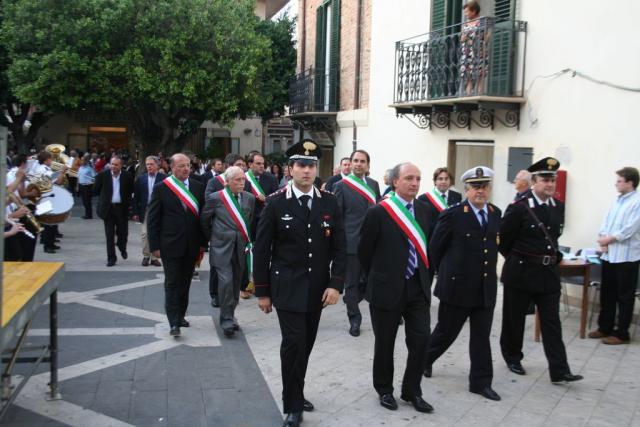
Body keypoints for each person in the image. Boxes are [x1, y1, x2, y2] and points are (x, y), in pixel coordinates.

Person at [253, 139, 346, 427]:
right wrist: (262, 292)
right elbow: (261, 250)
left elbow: (340, 247)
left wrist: (335, 284)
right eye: (301, 165)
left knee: (305, 345)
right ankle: (293, 405)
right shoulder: (275, 202)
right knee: (293, 344)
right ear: (290, 169)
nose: (307, 171)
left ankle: (295, 390)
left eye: (311, 166)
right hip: (287, 288)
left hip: (317, 290)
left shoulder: (329, 201)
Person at [358, 162, 435, 414]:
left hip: (417, 287)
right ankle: (384, 389)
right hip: (386, 288)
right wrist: (379, 277)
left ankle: (412, 390)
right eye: (409, 178)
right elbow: (364, 251)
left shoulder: (424, 210)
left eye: (418, 178)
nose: (415, 183)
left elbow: (427, 248)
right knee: (385, 343)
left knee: (421, 339)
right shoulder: (379, 212)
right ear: (395, 182)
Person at [499, 157, 583, 384]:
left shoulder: (557, 207)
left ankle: (560, 370)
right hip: (521, 272)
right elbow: (504, 241)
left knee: (552, 322)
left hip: (548, 274)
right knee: (514, 319)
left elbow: (553, 238)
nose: (550, 184)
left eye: (552, 180)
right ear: (534, 181)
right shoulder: (519, 207)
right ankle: (512, 357)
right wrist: (521, 259)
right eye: (545, 180)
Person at [424, 166, 502, 401]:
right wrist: (448, 273)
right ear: (466, 189)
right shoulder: (453, 214)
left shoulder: (495, 213)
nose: (480, 191)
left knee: (481, 337)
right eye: (475, 187)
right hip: (457, 287)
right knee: (445, 332)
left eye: (484, 186)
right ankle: (424, 359)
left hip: (485, 288)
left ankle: (481, 382)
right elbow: (435, 248)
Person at [147, 153, 207, 337]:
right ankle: (173, 322)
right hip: (170, 244)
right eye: (181, 166)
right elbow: (153, 219)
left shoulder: (198, 186)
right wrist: (154, 246)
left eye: (188, 165)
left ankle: (180, 315)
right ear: (172, 168)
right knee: (172, 283)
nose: (186, 169)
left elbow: (203, 218)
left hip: (192, 245)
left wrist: (203, 243)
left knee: (185, 283)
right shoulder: (162, 187)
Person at [201, 166, 255, 337]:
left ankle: (230, 315)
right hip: (221, 248)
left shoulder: (249, 198)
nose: (242, 183)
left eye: (243, 179)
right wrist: (213, 238)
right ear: (228, 181)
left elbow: (249, 221)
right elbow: (205, 220)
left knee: (236, 283)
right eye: (237, 180)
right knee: (226, 282)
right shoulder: (216, 198)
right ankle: (226, 320)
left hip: (241, 248)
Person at [590, 167, 640, 345]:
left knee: (624, 296)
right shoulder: (617, 201)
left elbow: (630, 229)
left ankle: (621, 333)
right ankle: (605, 327)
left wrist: (609, 239)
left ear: (630, 182)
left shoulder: (637, 202)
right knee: (607, 293)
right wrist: (603, 239)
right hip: (609, 255)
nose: (615, 184)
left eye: (619, 181)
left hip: (627, 257)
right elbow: (606, 221)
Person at [333, 149, 380, 336]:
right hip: (351, 243)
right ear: (351, 163)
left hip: (373, 243)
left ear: (368, 165)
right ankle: (355, 319)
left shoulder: (374, 184)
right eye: (356, 161)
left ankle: (352, 299)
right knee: (351, 283)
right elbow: (337, 218)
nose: (359, 164)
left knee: (372, 281)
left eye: (362, 161)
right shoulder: (341, 186)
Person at [205, 153, 251, 307]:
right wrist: (213, 236)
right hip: (221, 243)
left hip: (239, 242)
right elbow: (206, 216)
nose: (242, 182)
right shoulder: (215, 187)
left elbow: (248, 216)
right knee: (222, 276)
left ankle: (230, 309)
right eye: (238, 165)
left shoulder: (246, 191)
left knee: (235, 277)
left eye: (243, 166)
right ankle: (218, 300)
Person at [93, 156, 134, 267]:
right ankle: (111, 258)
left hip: (121, 208)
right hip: (108, 209)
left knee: (123, 232)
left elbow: (131, 191)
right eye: (112, 164)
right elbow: (95, 190)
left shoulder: (127, 176)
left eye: (116, 164)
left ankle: (122, 247)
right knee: (109, 235)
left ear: (121, 165)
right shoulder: (103, 175)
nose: (113, 166)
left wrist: (131, 207)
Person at [132, 156, 167, 267]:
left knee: (157, 233)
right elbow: (136, 197)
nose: (149, 166)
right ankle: (146, 256)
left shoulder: (164, 178)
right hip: (146, 210)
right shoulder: (141, 179)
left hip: (160, 210)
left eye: (151, 164)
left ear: (157, 165)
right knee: (145, 234)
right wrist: (135, 212)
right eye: (147, 164)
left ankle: (154, 257)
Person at [32, 151, 67, 254]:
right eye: (50, 159)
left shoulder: (43, 169)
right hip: (46, 198)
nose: (51, 161)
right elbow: (58, 181)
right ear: (46, 160)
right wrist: (62, 172)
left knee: (49, 222)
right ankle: (48, 245)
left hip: (45, 197)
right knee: (48, 223)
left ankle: (50, 242)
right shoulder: (44, 170)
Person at [459, 0, 488, 96]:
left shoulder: (482, 21)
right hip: (467, 52)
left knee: (480, 75)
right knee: (468, 75)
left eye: (467, 12)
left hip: (479, 51)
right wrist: (463, 38)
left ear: (474, 11)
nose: (465, 14)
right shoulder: (465, 24)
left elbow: (487, 36)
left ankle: (479, 95)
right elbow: (461, 38)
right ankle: (468, 95)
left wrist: (479, 40)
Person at [77, 154, 97, 219]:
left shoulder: (90, 168)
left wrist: (93, 185)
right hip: (81, 185)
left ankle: (89, 215)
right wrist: (77, 186)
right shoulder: (80, 168)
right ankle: (87, 214)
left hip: (87, 186)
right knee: (84, 201)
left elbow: (94, 177)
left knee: (87, 201)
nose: (82, 161)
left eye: (83, 160)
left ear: (86, 161)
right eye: (81, 160)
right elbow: (78, 177)